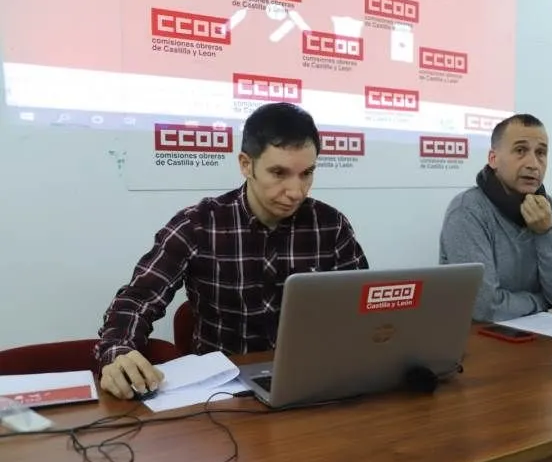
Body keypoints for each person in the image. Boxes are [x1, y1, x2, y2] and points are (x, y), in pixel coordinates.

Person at [94, 103, 369, 399]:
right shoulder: (198, 225)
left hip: (312, 384)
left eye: (307, 173)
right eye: (279, 173)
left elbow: (363, 310)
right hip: (223, 392)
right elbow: (136, 300)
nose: (296, 191)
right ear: (245, 164)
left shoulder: (331, 225)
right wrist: (119, 350)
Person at [439, 113, 552, 322]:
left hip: (538, 336)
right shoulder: (468, 210)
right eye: (520, 150)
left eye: (541, 153)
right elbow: (485, 307)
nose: (533, 164)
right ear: (493, 159)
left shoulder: (549, 209)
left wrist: (545, 233)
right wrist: (542, 302)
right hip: (479, 340)